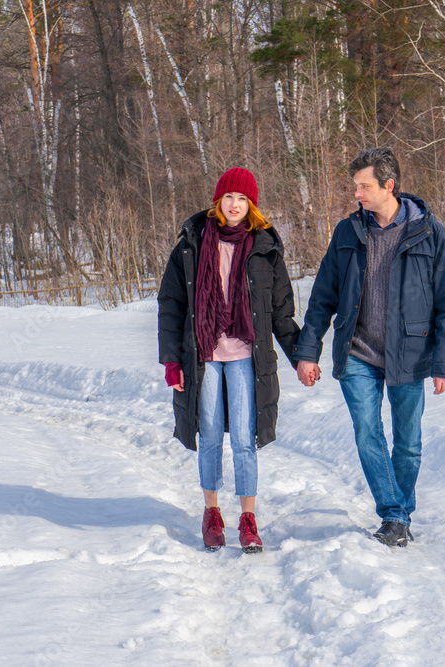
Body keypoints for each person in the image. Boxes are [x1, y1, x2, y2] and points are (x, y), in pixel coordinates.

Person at [293, 148, 445, 547]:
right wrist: (307, 350)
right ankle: (394, 513)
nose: (357, 194)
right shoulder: (348, 232)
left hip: (411, 354)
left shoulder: (428, 231)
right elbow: (323, 296)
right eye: (355, 187)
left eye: (363, 186)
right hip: (357, 352)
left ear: (389, 185)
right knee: (368, 433)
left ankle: (398, 515)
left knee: (408, 443)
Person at [158, 167, 299, 553]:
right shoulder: (192, 243)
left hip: (244, 356)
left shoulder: (264, 248)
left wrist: (302, 356)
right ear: (217, 201)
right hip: (202, 355)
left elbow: (281, 311)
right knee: (209, 437)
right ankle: (212, 513)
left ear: (251, 205)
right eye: (229, 197)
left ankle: (248, 519)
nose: (235, 204)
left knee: (243, 439)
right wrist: (172, 361)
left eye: (243, 198)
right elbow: (171, 305)